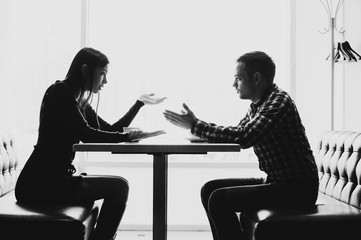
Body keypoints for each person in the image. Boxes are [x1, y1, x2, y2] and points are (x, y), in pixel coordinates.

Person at [163, 51, 319, 240]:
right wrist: (199, 131)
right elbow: (238, 131)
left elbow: (244, 137)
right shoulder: (258, 105)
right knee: (209, 189)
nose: (233, 84)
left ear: (256, 78)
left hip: (297, 188)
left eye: (238, 78)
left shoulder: (279, 102)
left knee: (219, 200)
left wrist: (196, 126)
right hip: (276, 181)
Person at [15, 47, 166, 240]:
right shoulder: (61, 92)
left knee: (119, 186)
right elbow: (87, 135)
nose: (105, 81)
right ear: (85, 70)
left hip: (53, 178)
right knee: (119, 187)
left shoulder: (79, 100)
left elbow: (111, 129)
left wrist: (138, 103)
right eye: (102, 74)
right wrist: (127, 137)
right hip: (38, 184)